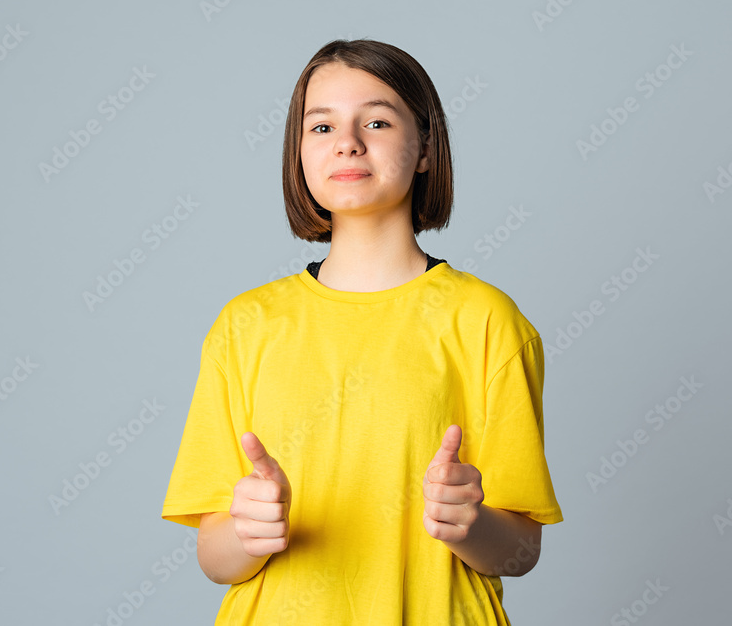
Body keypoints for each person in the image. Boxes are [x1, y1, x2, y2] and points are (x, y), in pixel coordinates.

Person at [161, 38, 562, 625]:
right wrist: (249, 532)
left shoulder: (486, 320)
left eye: (376, 121)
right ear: (298, 153)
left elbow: (522, 551)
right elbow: (215, 559)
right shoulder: (244, 326)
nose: (347, 141)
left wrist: (470, 524)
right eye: (320, 128)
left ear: (425, 148)